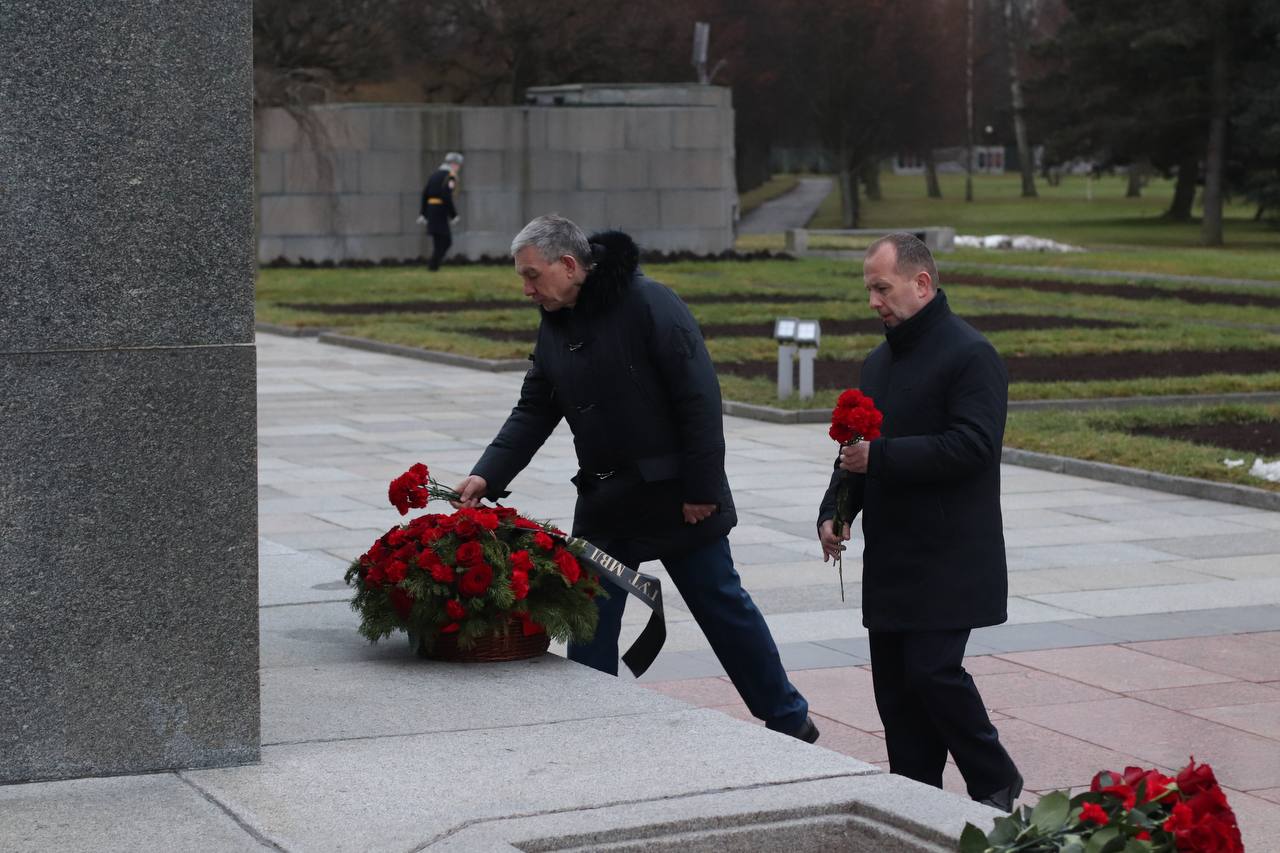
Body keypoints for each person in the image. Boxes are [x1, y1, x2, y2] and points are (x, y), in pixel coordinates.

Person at [455, 214, 818, 743]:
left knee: (721, 607)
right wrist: (487, 474)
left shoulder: (651, 304)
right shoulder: (556, 319)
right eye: (522, 277)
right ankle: (591, 729)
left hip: (677, 500)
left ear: (570, 264)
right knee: (590, 619)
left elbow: (699, 401)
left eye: (532, 275)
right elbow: (534, 408)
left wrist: (702, 491)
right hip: (606, 502)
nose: (526, 288)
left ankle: (789, 720)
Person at [815, 232, 1022, 810]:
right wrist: (835, 512)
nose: (873, 301)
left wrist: (879, 458)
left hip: (950, 554)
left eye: (882, 288)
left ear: (922, 283)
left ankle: (995, 779)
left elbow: (974, 445)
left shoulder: (971, 354)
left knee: (934, 673)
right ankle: (914, 797)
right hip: (893, 556)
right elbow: (855, 446)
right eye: (869, 290)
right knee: (896, 692)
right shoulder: (877, 362)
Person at [417, 152, 462, 270]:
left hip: (431, 211)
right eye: (457, 165)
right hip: (440, 211)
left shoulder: (434, 175)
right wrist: (454, 215)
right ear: (453, 164)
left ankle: (433, 266)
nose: (458, 168)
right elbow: (446, 196)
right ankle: (433, 266)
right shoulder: (449, 176)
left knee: (438, 241)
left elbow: (425, 194)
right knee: (446, 241)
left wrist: (423, 213)